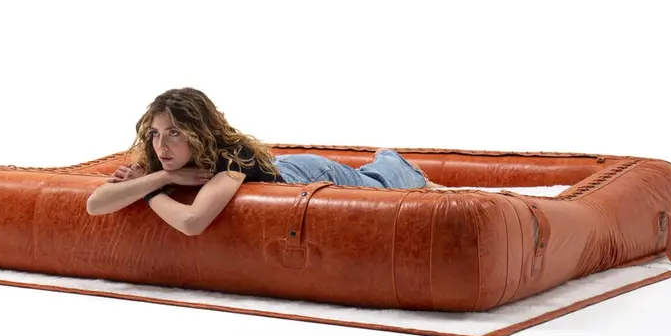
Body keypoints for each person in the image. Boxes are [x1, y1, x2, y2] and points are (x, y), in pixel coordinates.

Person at [85, 87, 440, 236]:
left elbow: (193, 222)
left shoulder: (232, 159)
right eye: (155, 133)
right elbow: (95, 204)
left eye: (175, 133)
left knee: (377, 184)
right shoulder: (161, 159)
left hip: (303, 172)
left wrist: (147, 190)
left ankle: (395, 162)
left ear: (198, 133)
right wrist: (158, 179)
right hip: (281, 164)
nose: (161, 144)